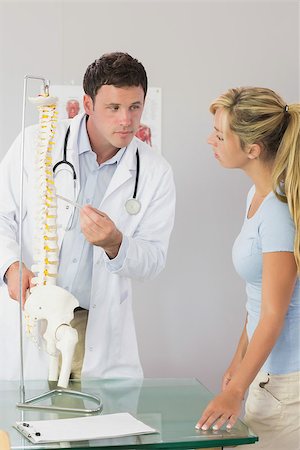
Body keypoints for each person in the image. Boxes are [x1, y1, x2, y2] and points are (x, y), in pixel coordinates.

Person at [0, 52, 176, 381]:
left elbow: (153, 259)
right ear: (88, 104)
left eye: (135, 107)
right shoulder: (35, 144)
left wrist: (116, 244)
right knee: (27, 425)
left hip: (95, 327)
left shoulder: (155, 172)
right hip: (35, 313)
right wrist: (10, 266)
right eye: (113, 108)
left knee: (93, 427)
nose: (126, 120)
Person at [195, 87, 300, 449]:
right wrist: (237, 363)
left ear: (252, 150)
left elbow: (274, 313)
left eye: (221, 136)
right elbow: (256, 296)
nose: (212, 140)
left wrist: (236, 389)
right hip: (265, 375)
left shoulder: (278, 212)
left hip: (287, 385)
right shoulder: (256, 197)